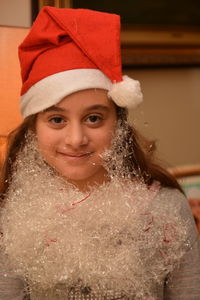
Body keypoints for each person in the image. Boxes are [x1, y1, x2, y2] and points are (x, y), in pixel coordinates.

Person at [0, 6, 200, 300]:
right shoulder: (13, 215)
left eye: (94, 118)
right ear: (34, 131)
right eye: (57, 119)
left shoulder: (166, 209)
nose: (76, 139)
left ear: (118, 126)